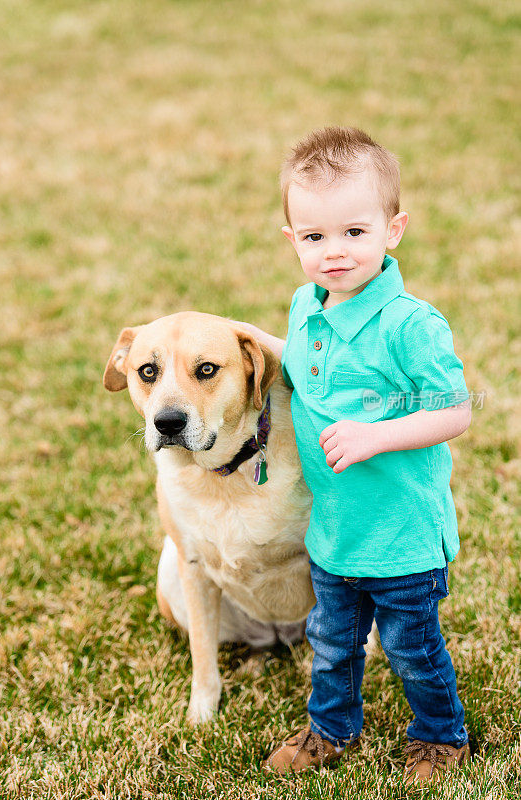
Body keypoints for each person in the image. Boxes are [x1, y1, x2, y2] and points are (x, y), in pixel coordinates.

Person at [238, 127, 472, 786]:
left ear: (393, 230)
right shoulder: (305, 308)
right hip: (336, 533)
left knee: (410, 646)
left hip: (401, 536)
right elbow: (309, 377)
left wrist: (375, 435)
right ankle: (331, 727)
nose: (334, 252)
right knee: (332, 642)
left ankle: (440, 733)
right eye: (314, 238)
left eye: (354, 233)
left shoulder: (411, 325)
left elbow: (455, 410)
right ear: (292, 241)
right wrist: (253, 342)